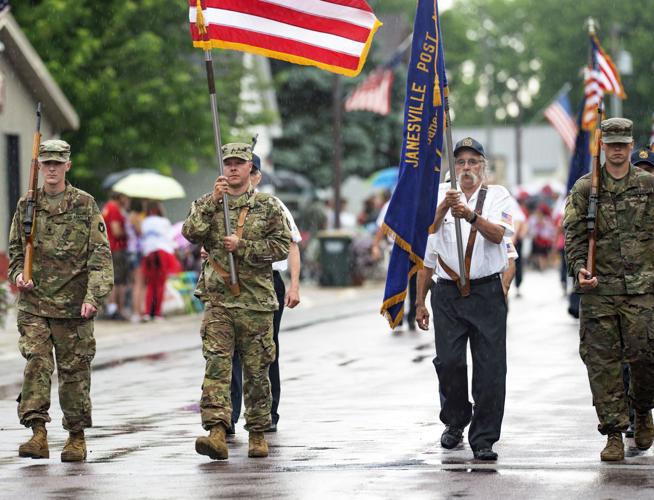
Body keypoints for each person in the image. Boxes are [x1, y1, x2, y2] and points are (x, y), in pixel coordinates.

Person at [182, 142, 291, 460]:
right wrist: (212, 202)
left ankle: (257, 431)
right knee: (216, 366)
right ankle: (216, 430)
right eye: (227, 162)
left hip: (255, 301)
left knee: (257, 371)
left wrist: (243, 246)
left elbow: (282, 246)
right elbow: (190, 232)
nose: (232, 168)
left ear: (250, 170)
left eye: (238, 163)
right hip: (219, 301)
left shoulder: (268, 206)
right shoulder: (208, 203)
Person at [8, 139, 113, 462]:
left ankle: (75, 436)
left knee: (74, 373)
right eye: (46, 163)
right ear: (39, 167)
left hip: (73, 306)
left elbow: (100, 256)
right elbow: (14, 253)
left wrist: (94, 296)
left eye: (58, 163)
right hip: (34, 304)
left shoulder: (84, 204)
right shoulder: (28, 204)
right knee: (37, 365)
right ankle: (37, 433)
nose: (51, 169)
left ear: (68, 166)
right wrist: (17, 277)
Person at [415, 137, 514, 461]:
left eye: (473, 162)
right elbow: (425, 247)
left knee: (489, 370)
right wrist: (419, 302)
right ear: (453, 168)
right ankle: (456, 420)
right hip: (447, 293)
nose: (467, 168)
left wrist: (469, 215)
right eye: (461, 163)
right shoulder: (439, 196)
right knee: (450, 363)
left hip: (486, 291)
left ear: (483, 167)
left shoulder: (498, 196)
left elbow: (499, 235)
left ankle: (484, 438)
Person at [564, 118, 654, 461]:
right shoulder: (586, 188)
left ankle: (643, 409)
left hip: (642, 289)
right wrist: (579, 269)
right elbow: (572, 237)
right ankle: (613, 433)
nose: (617, 150)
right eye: (611, 144)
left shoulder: (648, 185)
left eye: (623, 144)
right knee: (603, 365)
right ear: (603, 147)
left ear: (631, 146)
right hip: (599, 290)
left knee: (646, 357)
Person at [230, 154, 301, 434]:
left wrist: (294, 285)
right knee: (229, 351)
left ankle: (267, 412)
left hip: (266, 281)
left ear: (255, 174)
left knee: (265, 349)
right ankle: (230, 415)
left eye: (246, 167)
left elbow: (291, 245)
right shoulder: (219, 205)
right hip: (232, 284)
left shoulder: (273, 205)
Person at [140, 201, 180, 321]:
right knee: (160, 284)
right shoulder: (164, 222)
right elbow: (170, 239)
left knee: (151, 284)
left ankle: (148, 312)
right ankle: (157, 313)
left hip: (149, 253)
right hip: (162, 253)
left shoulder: (145, 222)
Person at [102, 192, 130, 320]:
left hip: (110, 247)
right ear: (120, 196)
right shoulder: (114, 208)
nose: (127, 200)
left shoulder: (108, 207)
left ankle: (112, 308)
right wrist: (128, 232)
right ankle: (117, 309)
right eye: (126, 197)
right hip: (117, 248)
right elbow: (116, 230)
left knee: (112, 279)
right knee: (119, 280)